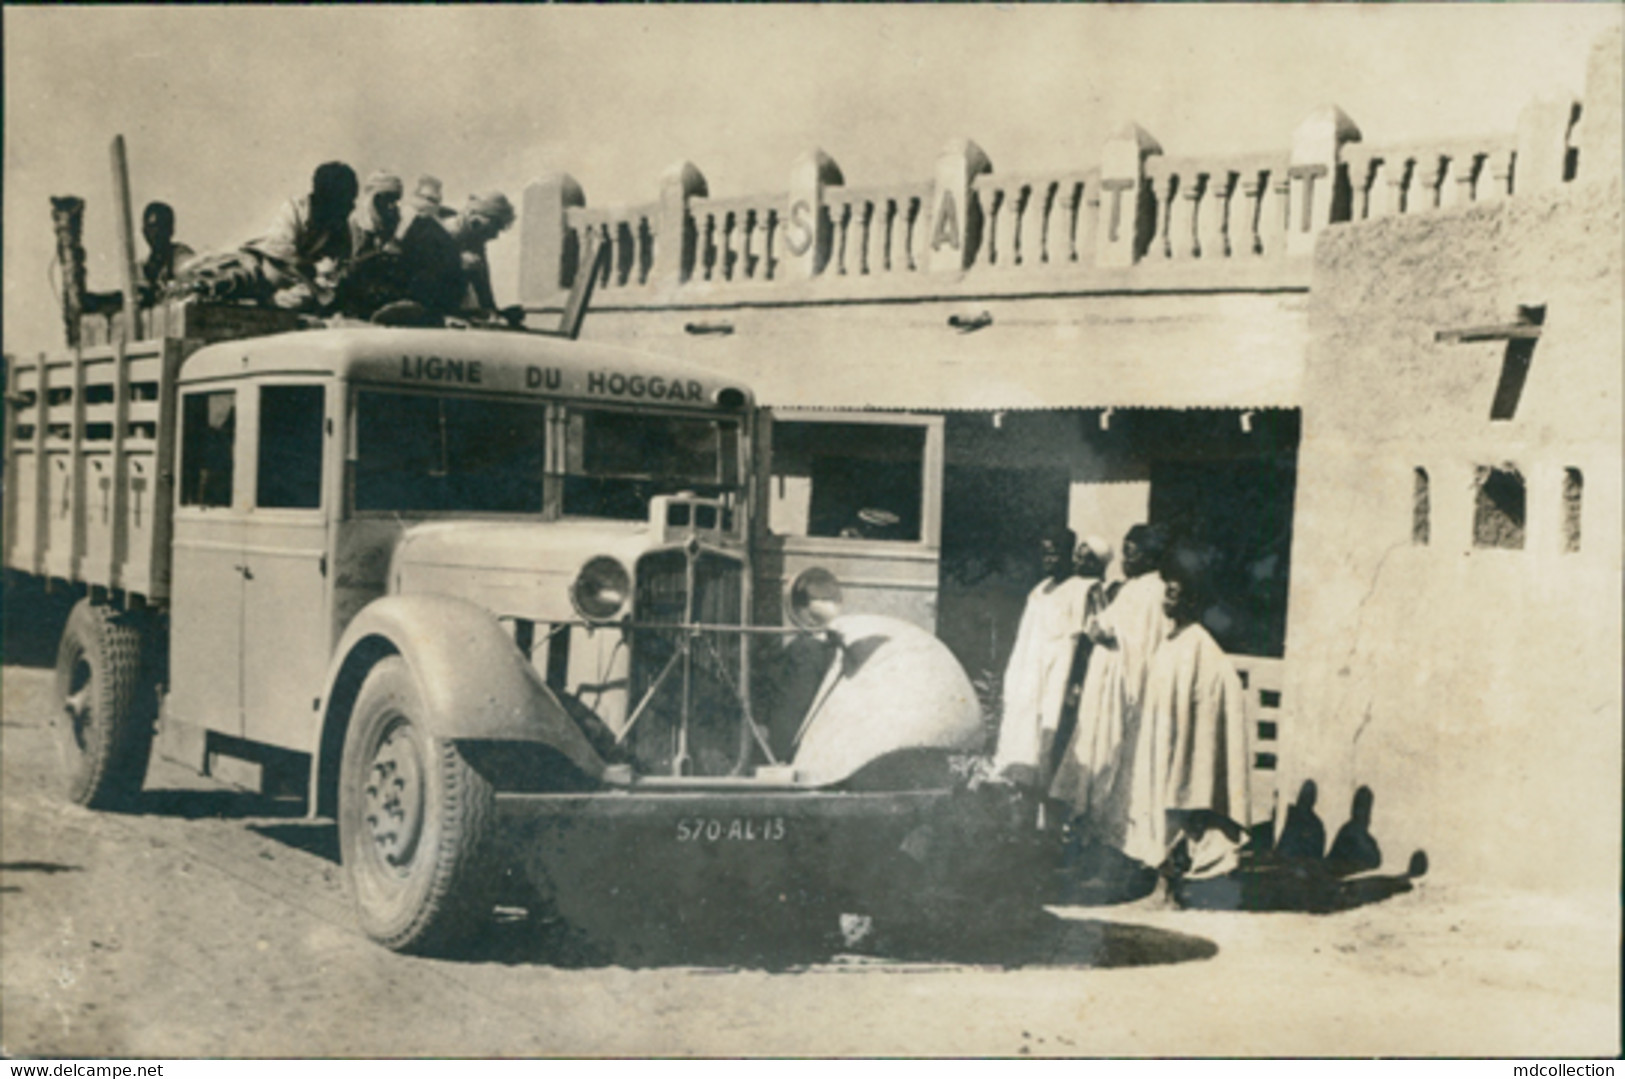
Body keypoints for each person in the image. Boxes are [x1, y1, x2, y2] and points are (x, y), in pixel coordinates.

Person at [1120, 543, 1252, 882]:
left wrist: (1187, 742)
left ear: (1191, 601)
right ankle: (1161, 876)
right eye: (1166, 593)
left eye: (1174, 595)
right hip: (1160, 741)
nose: (1166, 601)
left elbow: (1219, 691)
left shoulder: (1200, 646)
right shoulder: (1170, 640)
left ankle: (1176, 880)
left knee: (1180, 809)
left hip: (1182, 746)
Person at [1049, 523, 1172, 845]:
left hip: (1123, 686)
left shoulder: (1153, 591)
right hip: (1103, 685)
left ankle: (1109, 835)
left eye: (1132, 554)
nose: (1125, 561)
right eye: (1125, 553)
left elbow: (1138, 640)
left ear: (1150, 556)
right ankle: (1087, 828)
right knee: (1094, 750)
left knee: (1114, 756)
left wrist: (1107, 633)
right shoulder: (1132, 589)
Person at [989, 527, 1096, 790]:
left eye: (1055, 554)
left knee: (1055, 738)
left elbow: (1085, 642)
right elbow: (1026, 639)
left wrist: (1077, 682)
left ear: (1070, 555)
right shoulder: (1039, 591)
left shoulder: (1083, 590)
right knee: (1027, 741)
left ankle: (1052, 815)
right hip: (1033, 673)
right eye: (1045, 554)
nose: (1048, 560)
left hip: (1061, 677)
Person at [242, 161, 359, 311]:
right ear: (328, 198)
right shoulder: (294, 209)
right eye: (347, 200)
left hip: (298, 285)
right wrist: (312, 271)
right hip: (261, 269)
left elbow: (338, 269)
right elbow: (279, 257)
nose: (352, 207)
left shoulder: (340, 226)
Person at [1048, 535, 1115, 776]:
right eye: (1078, 555)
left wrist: (1077, 680)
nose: (1080, 562)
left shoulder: (1094, 590)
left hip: (1075, 667)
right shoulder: (1067, 586)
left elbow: (1091, 634)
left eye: (1088, 559)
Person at [444, 191, 516, 316]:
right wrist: (457, 261)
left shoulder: (475, 240)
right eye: (495, 225)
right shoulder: (444, 230)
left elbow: (482, 283)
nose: (494, 235)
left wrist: (493, 311)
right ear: (475, 219)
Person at [137, 201, 194, 305]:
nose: (157, 232)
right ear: (144, 231)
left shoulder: (182, 258)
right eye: (152, 227)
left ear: (171, 230)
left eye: (162, 226)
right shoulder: (143, 268)